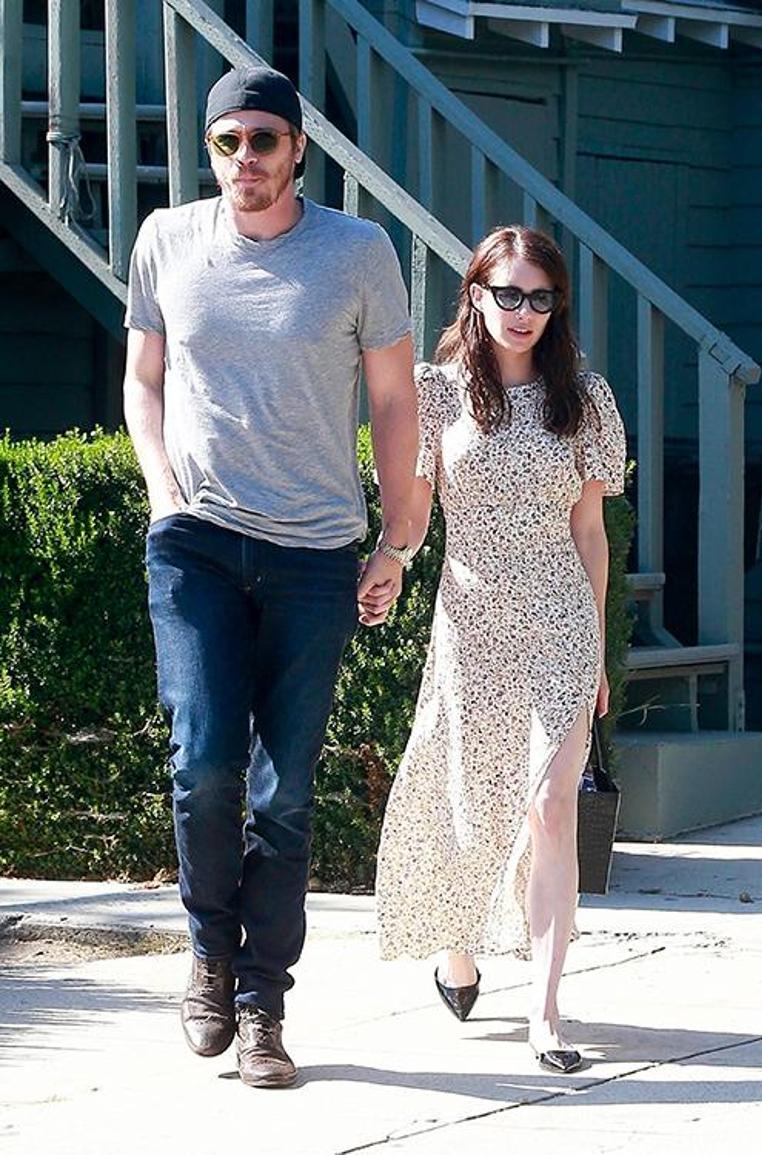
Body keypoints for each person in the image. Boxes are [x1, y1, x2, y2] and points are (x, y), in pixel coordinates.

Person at [123, 64, 417, 1089]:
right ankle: (210, 952)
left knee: (284, 794)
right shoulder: (165, 240)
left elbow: (393, 402)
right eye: (226, 141)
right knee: (204, 766)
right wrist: (163, 490)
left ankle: (262, 1008)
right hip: (196, 541)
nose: (242, 158)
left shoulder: (357, 252)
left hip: (313, 554)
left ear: (297, 149)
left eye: (261, 140)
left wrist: (397, 538)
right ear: (208, 149)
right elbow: (144, 379)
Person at [375, 225, 626, 1074]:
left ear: (557, 307)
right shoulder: (438, 393)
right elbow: (413, 513)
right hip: (471, 621)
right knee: (467, 799)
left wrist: (597, 652)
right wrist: (392, 559)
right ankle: (458, 945)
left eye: (540, 297)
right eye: (508, 293)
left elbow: (590, 532)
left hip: (560, 618)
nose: (523, 311)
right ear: (476, 294)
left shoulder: (583, 399)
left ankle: (546, 1012)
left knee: (552, 807)